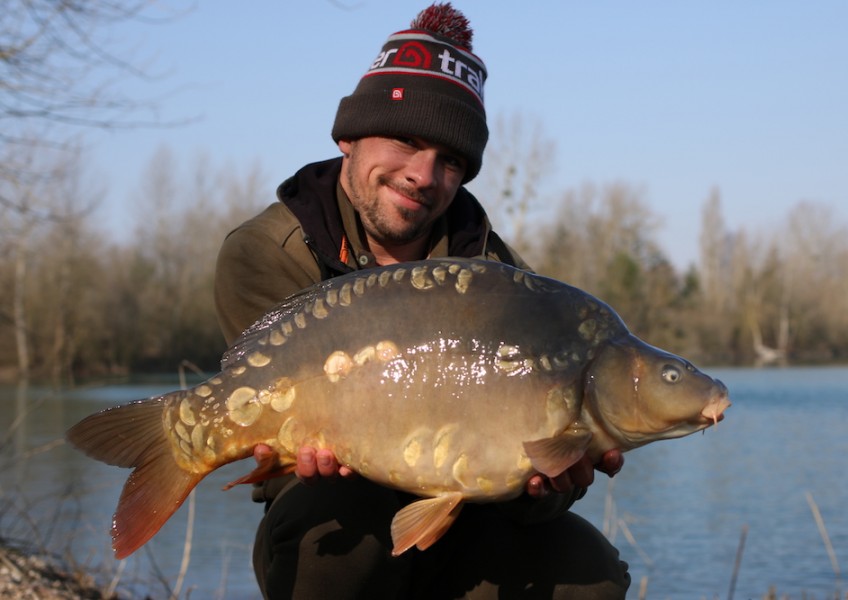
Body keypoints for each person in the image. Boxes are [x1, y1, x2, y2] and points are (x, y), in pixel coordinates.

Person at [214, 3, 631, 598]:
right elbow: (270, 444)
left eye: (450, 161)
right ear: (349, 136)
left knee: (585, 569)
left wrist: (553, 482)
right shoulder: (269, 251)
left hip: (468, 515)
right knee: (340, 535)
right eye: (406, 141)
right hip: (326, 511)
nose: (422, 174)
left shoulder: (500, 279)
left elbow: (525, 498)